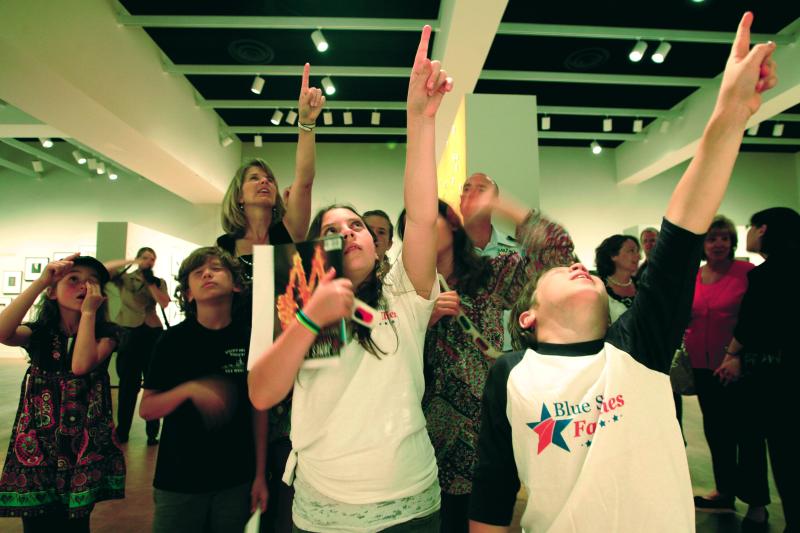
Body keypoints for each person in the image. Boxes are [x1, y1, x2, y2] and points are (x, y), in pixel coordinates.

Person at [468, 13, 777, 532]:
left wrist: (728, 117)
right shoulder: (511, 372)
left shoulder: (636, 347)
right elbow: (493, 485)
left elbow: (681, 234)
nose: (578, 266)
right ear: (528, 316)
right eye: (564, 269)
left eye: (581, 265)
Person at [248, 25, 453, 532]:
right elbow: (261, 393)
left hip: (411, 497)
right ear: (317, 249)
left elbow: (423, 216)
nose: (350, 233)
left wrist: (420, 119)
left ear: (376, 240)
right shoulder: (288, 294)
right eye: (333, 229)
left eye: (357, 225)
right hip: (325, 504)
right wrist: (310, 319)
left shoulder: (404, 289)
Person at [396, 198, 574, 533]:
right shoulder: (401, 292)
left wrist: (500, 205)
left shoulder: (492, 273)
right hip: (419, 438)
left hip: (483, 433)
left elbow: (558, 252)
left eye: (424, 218)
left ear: (451, 221)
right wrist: (422, 321)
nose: (418, 231)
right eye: (408, 228)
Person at [139, 247, 268, 533]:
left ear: (236, 284)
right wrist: (190, 390)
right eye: (198, 273)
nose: (207, 274)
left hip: (236, 478)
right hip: (179, 480)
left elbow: (259, 410)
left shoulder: (251, 337)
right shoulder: (172, 341)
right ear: (188, 294)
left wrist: (260, 475)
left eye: (216, 268)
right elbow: (147, 410)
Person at [0, 254, 125, 531]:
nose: (84, 286)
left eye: (93, 282)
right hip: (38, 445)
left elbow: (80, 365)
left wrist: (89, 314)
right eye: (73, 279)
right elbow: (2, 331)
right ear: (52, 293)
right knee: (37, 521)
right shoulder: (40, 333)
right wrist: (41, 281)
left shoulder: (107, 333)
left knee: (76, 524)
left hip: (81, 446)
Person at [685, 215, 768, 522]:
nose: (718, 243)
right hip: (703, 368)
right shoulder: (695, 276)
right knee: (717, 431)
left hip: (739, 367)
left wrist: (740, 356)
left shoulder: (746, 273)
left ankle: (757, 500)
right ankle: (725, 491)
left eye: (724, 238)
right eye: (711, 238)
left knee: (748, 434)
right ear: (703, 245)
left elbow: (758, 320)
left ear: (733, 242)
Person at [723, 206, 800, 532]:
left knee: (780, 450)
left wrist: (730, 354)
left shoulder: (766, 275)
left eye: (751, 227)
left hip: (771, 375)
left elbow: (751, 325)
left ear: (764, 229)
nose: (749, 234)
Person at [216, 62, 325, 281]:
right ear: (238, 195)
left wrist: (306, 123)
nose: (264, 182)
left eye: (269, 179)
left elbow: (304, 181)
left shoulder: (288, 230)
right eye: (254, 178)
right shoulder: (224, 245)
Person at [104, 247, 170, 445]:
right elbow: (106, 270)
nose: (149, 261)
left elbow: (164, 303)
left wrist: (150, 283)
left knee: (154, 383)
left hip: (153, 332)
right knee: (127, 385)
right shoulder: (125, 279)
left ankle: (152, 433)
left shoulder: (158, 282)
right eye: (145, 257)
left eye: (152, 258)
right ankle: (122, 430)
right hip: (129, 332)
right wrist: (131, 262)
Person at [594, 234, 640, 323]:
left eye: (637, 251)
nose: (638, 256)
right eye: (631, 251)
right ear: (613, 255)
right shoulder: (599, 289)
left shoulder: (642, 285)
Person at [363, 209, 395, 277]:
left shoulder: (396, 278)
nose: (373, 235)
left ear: (389, 244)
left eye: (381, 232)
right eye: (369, 230)